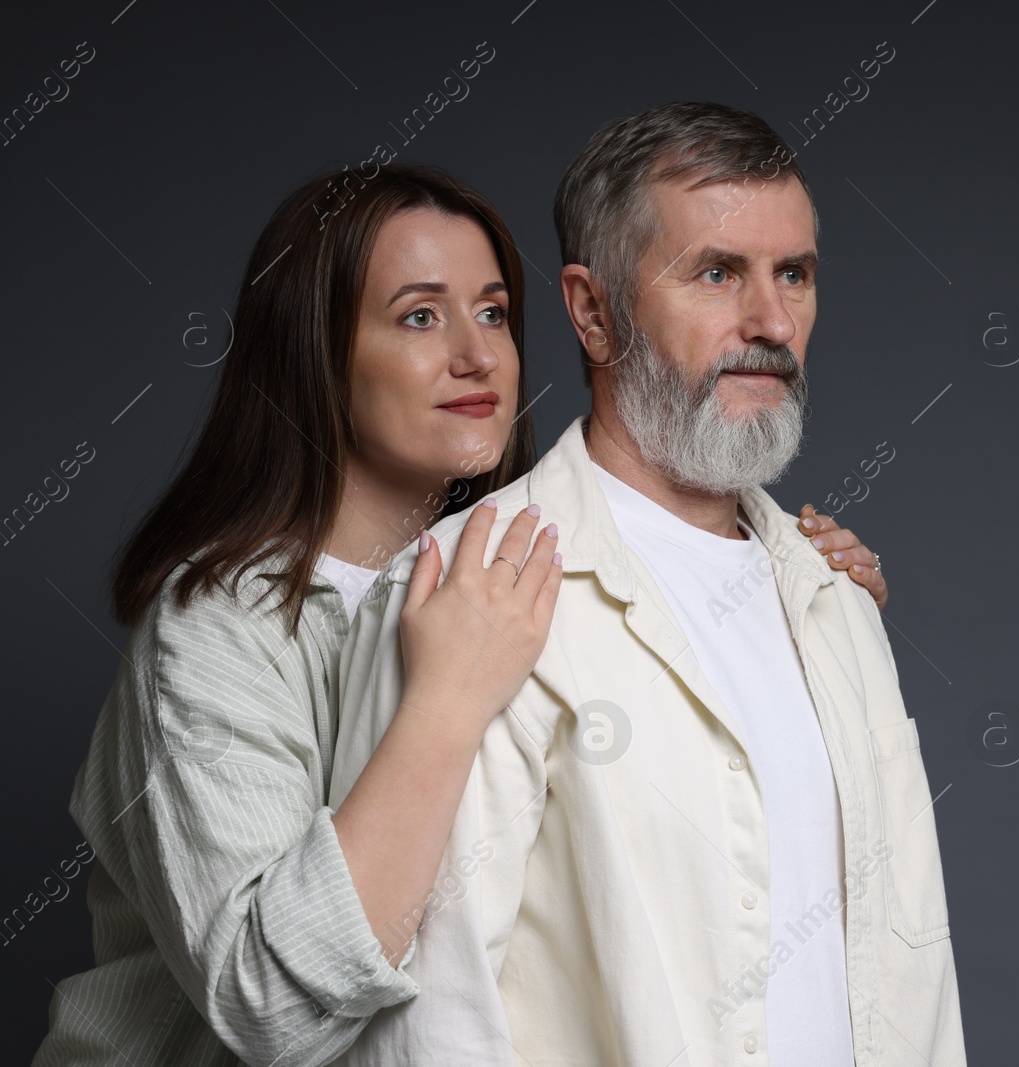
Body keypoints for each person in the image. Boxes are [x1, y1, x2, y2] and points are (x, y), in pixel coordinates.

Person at [36, 162, 885, 1067]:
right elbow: (273, 1009)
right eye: (418, 316)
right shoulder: (214, 631)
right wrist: (444, 703)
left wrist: (793, 603)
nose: (477, 355)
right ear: (314, 351)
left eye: (492, 313)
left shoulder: (540, 568)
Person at [330, 103, 965, 1067]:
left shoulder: (834, 595)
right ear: (592, 310)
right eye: (718, 272)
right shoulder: (467, 587)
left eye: (793, 274)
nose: (771, 322)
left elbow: (913, 974)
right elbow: (425, 1021)